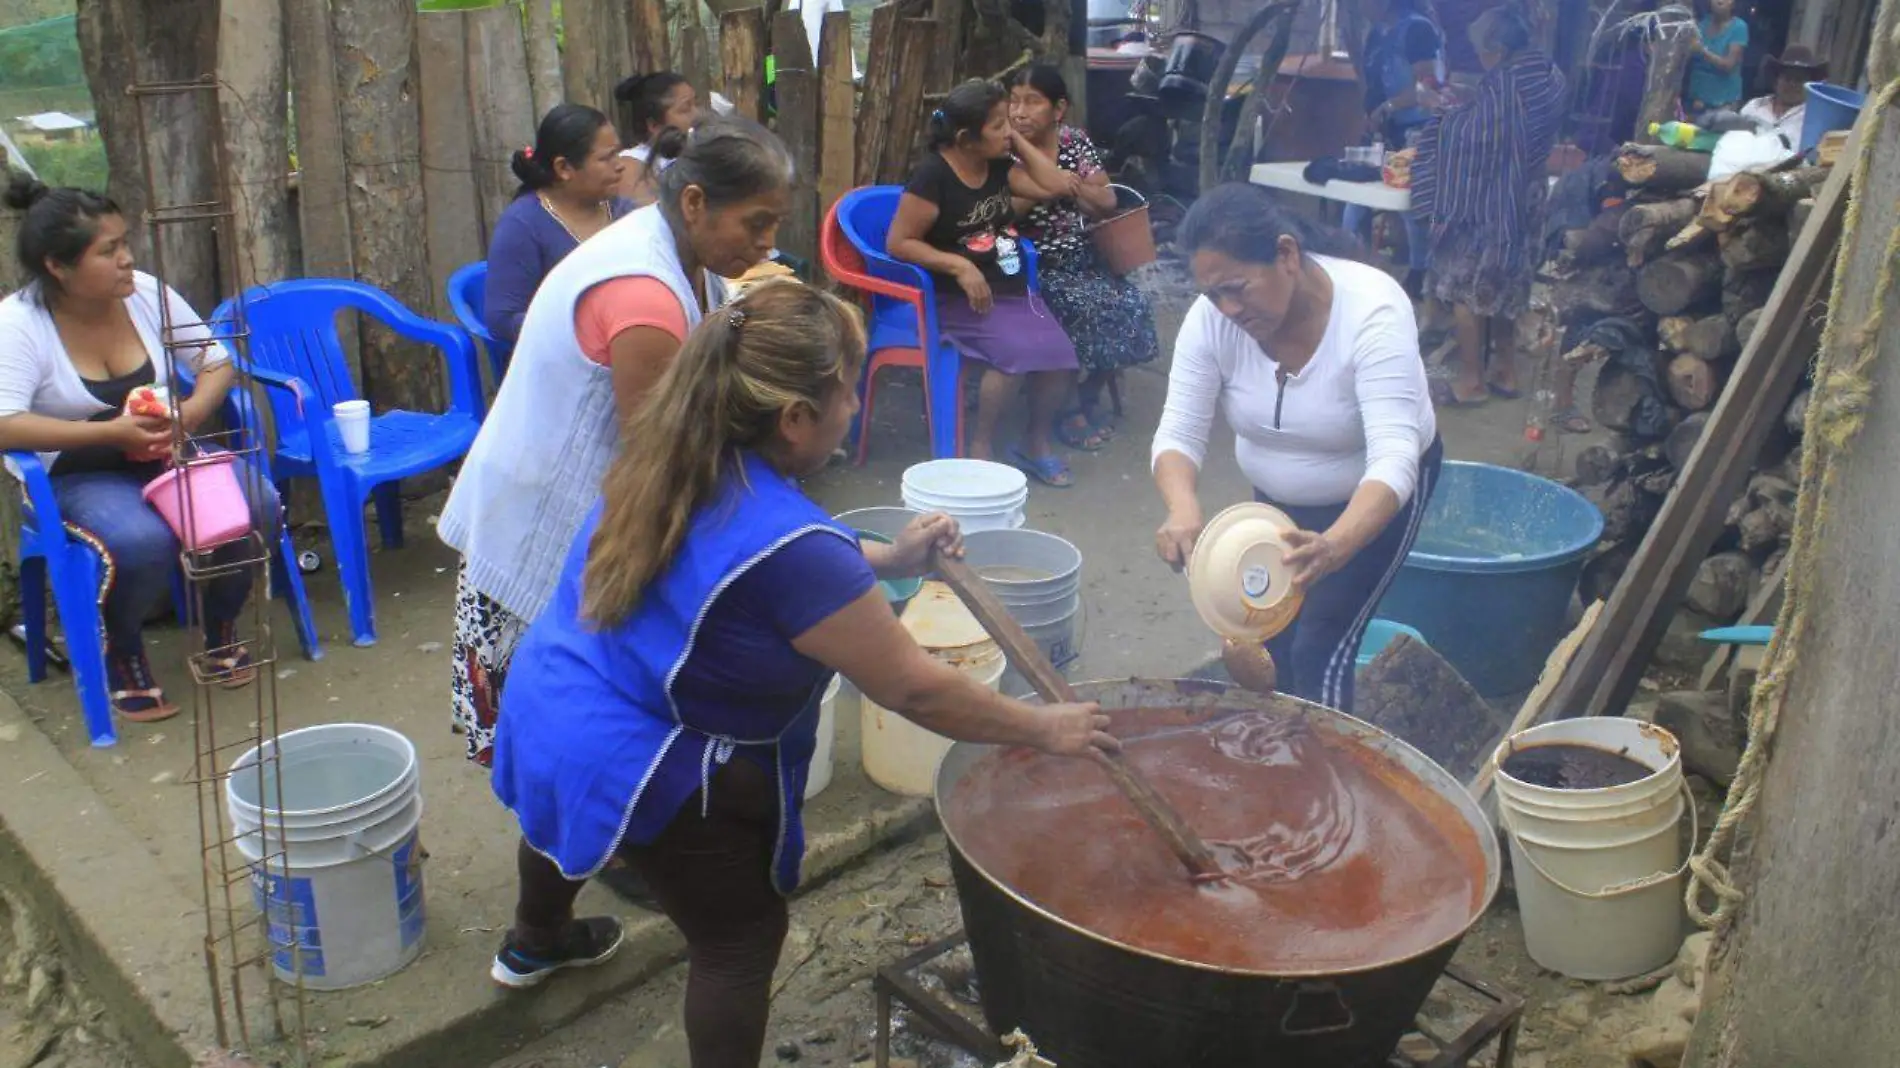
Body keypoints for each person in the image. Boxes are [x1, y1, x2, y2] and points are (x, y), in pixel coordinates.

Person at [488, 281, 1114, 1068]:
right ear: (795, 418)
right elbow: (911, 685)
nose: (855, 407)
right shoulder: (796, 548)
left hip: (552, 698)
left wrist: (892, 559)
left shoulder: (671, 457)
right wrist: (1043, 726)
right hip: (634, 753)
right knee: (741, 938)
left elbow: (780, 560)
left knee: (553, 822)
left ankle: (534, 942)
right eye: (848, 391)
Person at [438, 116, 791, 771]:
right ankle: (569, 840)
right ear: (695, 203)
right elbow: (663, 458)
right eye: (757, 223)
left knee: (575, 717)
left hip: (576, 497)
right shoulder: (643, 296)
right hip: (539, 511)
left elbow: (710, 347)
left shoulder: (678, 248)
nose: (768, 245)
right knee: (552, 721)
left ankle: (588, 829)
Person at [1151, 183, 1441, 715]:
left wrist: (1335, 545)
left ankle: (1327, 779)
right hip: (1275, 502)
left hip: (1372, 499)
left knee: (1321, 643)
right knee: (1266, 634)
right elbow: (1178, 431)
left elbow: (1395, 456)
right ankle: (1281, 754)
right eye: (1213, 294)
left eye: (1238, 288)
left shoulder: (1372, 311)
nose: (1228, 308)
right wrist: (1183, 508)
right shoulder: (1212, 319)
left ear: (1286, 255)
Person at [0, 177, 276, 722]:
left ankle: (220, 627)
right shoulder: (18, 325)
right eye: (109, 251)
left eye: (125, 243)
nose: (127, 259)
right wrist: (109, 433)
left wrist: (193, 412)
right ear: (59, 266)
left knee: (255, 504)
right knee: (140, 539)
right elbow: (5, 423)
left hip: (165, 450)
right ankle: (121, 652)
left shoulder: (145, 292)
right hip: (77, 472)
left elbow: (217, 362)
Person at [887, 79, 1083, 486]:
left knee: (1062, 356)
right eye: (998, 125)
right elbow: (899, 242)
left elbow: (1057, 184)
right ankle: (980, 447)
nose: (1009, 128)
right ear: (966, 139)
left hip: (1005, 288)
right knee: (1014, 356)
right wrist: (958, 266)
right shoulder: (932, 177)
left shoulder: (997, 166)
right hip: (956, 298)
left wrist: (1016, 143)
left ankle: (1035, 443)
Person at [1411, 5, 1564, 405]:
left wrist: (1440, 112)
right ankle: (1506, 370)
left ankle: (1472, 381)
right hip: (1527, 195)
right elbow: (1505, 124)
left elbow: (1473, 138)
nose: (1479, 57)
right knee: (1508, 285)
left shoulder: (1506, 82)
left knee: (1465, 289)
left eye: (1481, 49)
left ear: (1496, 48)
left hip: (1488, 202)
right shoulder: (1549, 74)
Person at [1006, 64, 1158, 452]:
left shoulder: (1075, 142)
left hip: (1085, 255)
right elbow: (1007, 213)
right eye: (1014, 101)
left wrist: (1068, 187)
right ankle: (1068, 407)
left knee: (1132, 305)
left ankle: (1088, 390)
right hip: (1032, 265)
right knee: (1077, 306)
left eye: (1032, 102)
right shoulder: (1003, 151)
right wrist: (1055, 184)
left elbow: (1105, 201)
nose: (1019, 112)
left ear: (1058, 109)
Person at [483, 104, 635, 348]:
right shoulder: (523, 225)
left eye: (618, 153)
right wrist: (585, 330)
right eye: (606, 158)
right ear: (564, 168)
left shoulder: (624, 213)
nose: (620, 165)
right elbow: (502, 320)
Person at [1343, 0, 1446, 298]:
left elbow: (1430, 86)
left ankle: (1419, 274)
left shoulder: (1417, 29)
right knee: (1357, 195)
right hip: (1384, 129)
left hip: (1417, 130)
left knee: (1409, 202)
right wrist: (1370, 114)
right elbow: (1371, 82)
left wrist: (1389, 107)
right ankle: (1349, 263)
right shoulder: (1377, 32)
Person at [615, 71, 699, 205]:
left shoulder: (696, 154)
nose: (697, 115)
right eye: (685, 109)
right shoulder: (631, 167)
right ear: (654, 125)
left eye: (696, 105)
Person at [1739, 44, 1826, 145]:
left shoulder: (1814, 118)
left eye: (1799, 80)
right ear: (1776, 80)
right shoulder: (1754, 107)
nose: (1792, 84)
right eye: (1787, 79)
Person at [1686, 0, 1749, 117]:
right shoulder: (1702, 24)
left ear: (1733, 3)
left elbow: (1729, 66)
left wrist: (1703, 51)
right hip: (1697, 100)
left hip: (1724, 102)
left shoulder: (1739, 27)